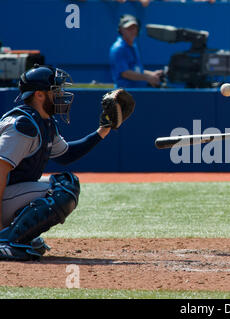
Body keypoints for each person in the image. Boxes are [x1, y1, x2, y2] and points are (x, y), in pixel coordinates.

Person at [0, 65, 114, 261]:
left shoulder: (43, 122)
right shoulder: (22, 125)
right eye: (56, 90)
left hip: (10, 192)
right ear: (39, 95)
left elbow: (66, 155)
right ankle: (7, 241)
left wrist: (103, 130)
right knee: (63, 191)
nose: (61, 95)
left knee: (67, 183)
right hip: (4, 194)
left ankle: (15, 237)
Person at [110, 14, 163, 88]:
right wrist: (147, 78)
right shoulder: (118, 48)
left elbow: (136, 70)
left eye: (134, 28)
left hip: (137, 92)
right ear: (121, 30)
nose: (132, 31)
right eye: (128, 28)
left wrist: (152, 74)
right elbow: (125, 73)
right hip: (124, 94)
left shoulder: (134, 46)